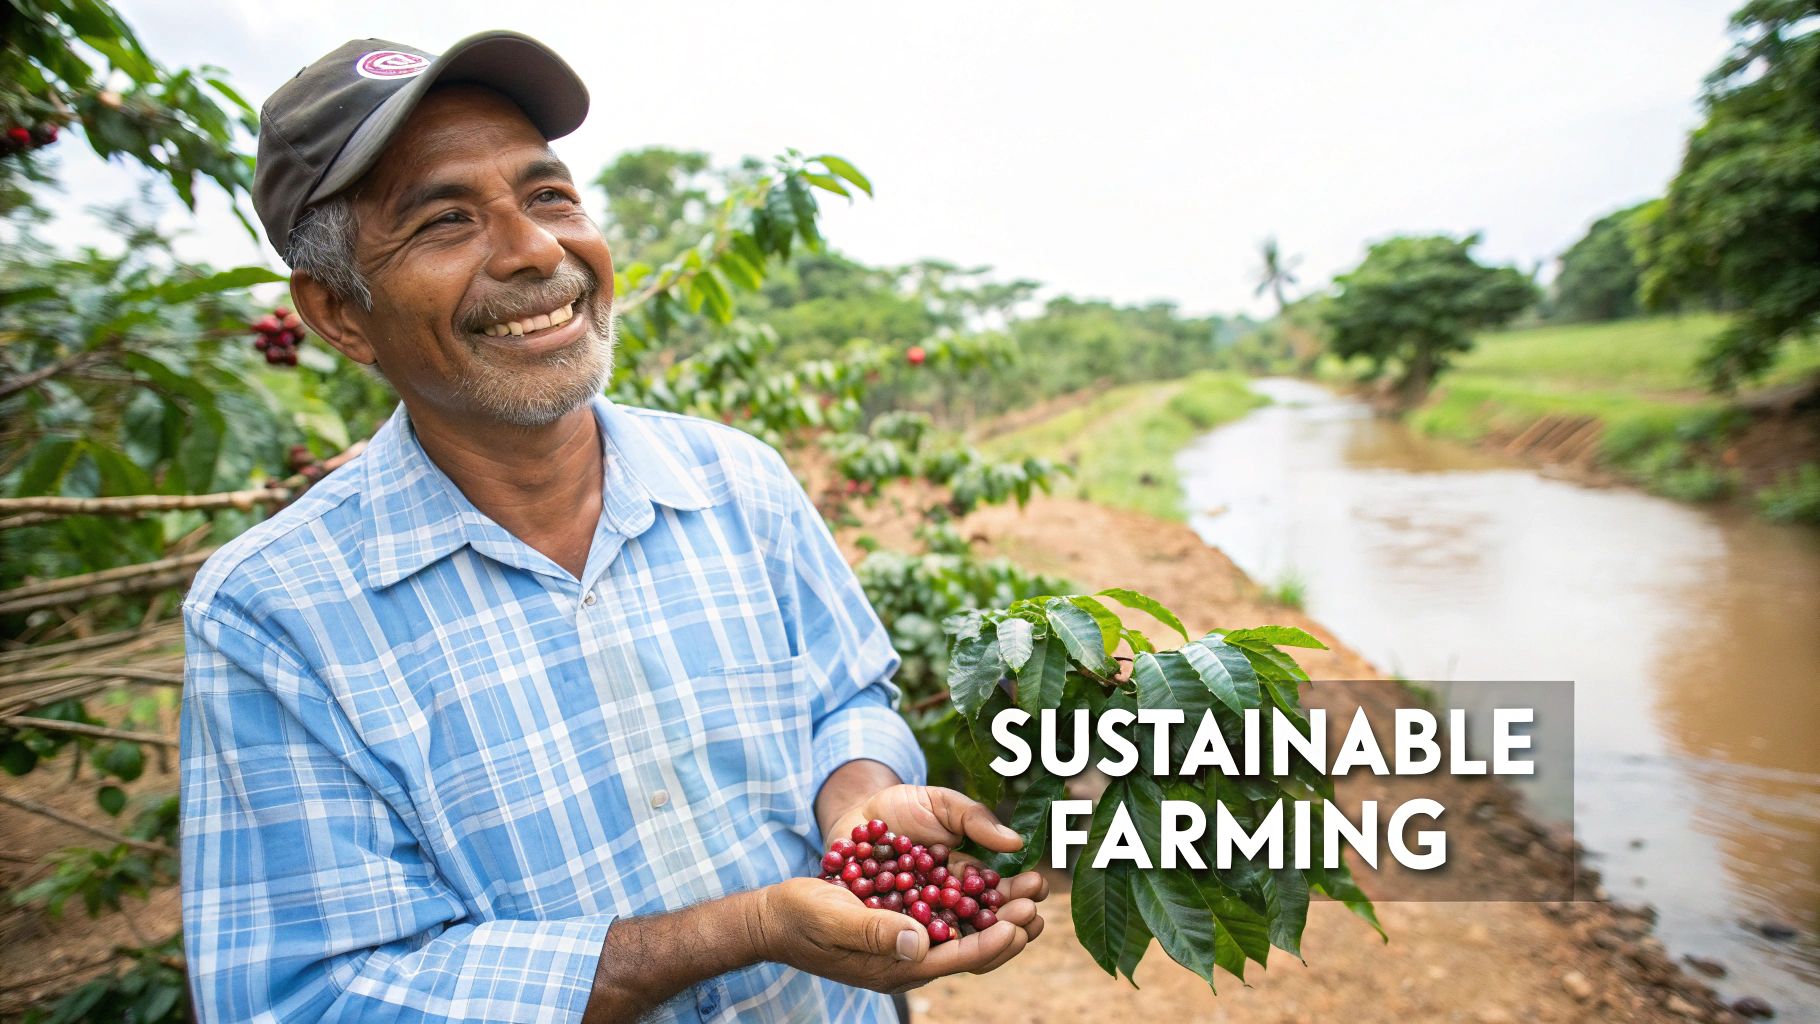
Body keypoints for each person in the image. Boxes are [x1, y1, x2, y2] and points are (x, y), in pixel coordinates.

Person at [179, 30, 1047, 1023]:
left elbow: (844, 693)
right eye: (444, 221)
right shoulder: (274, 614)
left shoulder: (738, 481)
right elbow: (309, 999)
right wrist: (737, 930)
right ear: (337, 312)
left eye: (547, 196)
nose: (538, 250)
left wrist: (854, 798)